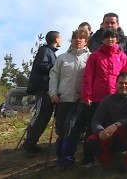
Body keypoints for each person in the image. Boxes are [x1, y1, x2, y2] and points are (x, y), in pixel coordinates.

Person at [83, 72, 127, 171]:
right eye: (120, 83)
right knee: (91, 140)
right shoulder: (107, 100)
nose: (123, 86)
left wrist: (118, 124)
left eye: (126, 83)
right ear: (116, 84)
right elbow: (96, 121)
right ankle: (109, 163)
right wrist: (100, 132)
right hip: (110, 135)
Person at [49, 28, 91, 167]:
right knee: (61, 129)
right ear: (71, 40)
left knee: (73, 129)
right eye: (75, 37)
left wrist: (85, 94)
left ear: (86, 41)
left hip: (79, 101)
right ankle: (60, 157)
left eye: (81, 38)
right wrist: (53, 93)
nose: (78, 40)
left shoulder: (90, 58)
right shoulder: (62, 58)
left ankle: (68, 158)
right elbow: (54, 75)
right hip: (62, 99)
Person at [22, 30, 61, 155]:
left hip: (46, 88)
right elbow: (42, 66)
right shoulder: (46, 51)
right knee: (41, 116)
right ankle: (28, 145)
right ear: (55, 39)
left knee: (44, 116)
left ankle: (32, 143)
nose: (61, 40)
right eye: (60, 38)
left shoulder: (49, 51)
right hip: (43, 88)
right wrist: (57, 67)